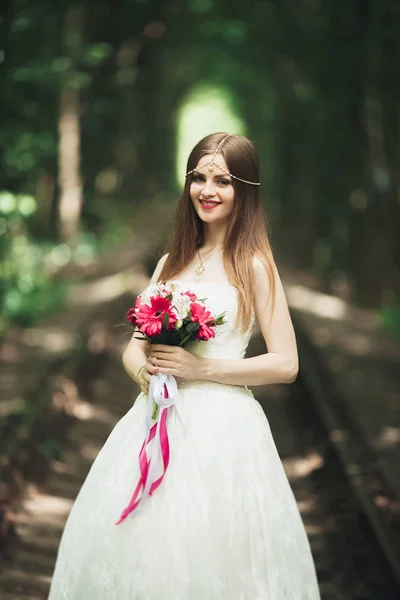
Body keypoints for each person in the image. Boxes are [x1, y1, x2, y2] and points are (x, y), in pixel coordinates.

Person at [48, 132, 321, 599]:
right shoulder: (169, 263)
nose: (207, 190)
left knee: (212, 551)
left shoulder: (254, 266)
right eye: (198, 177)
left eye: (223, 180)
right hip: (155, 420)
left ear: (245, 190)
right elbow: (133, 349)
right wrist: (146, 375)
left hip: (224, 432)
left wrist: (200, 370)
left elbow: (286, 363)